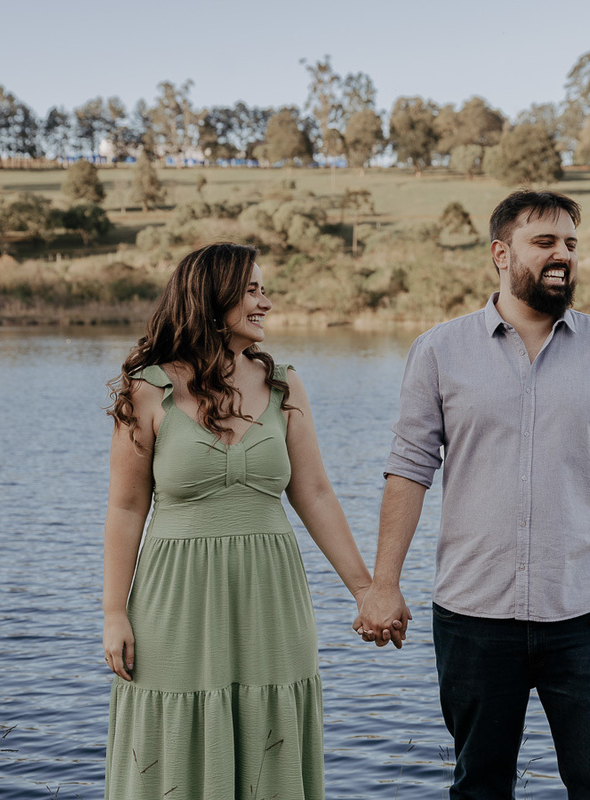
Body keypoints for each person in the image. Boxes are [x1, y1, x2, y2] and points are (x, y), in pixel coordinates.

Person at [354, 190, 590, 799]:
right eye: (544, 242)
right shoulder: (439, 351)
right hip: (473, 614)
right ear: (501, 253)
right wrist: (383, 583)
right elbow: (409, 468)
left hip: (588, 614)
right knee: (479, 787)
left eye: (570, 243)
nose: (562, 255)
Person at [102, 242, 372, 799]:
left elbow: (316, 494)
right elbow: (126, 508)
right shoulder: (149, 389)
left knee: (267, 732)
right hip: (173, 600)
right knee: (172, 741)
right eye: (252, 290)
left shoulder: (284, 384)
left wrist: (366, 591)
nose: (265, 303)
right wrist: (113, 612)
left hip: (270, 595)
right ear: (212, 296)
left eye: (263, 290)